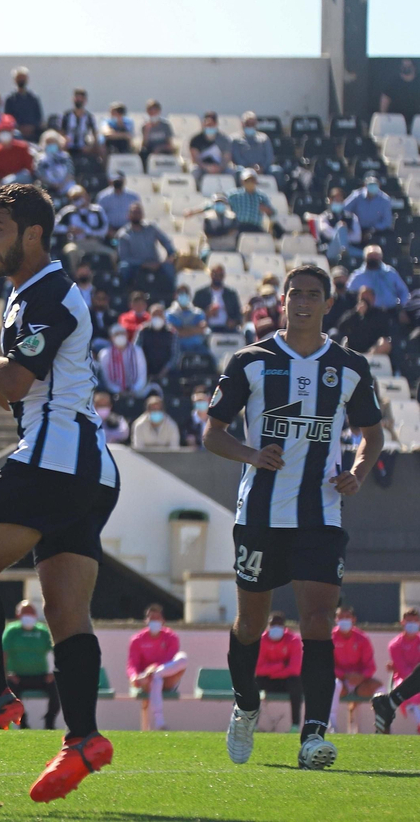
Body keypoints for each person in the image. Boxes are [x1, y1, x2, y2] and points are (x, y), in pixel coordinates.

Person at [0, 183, 119, 802]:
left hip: (53, 458)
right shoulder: (28, 293)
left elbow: (10, 386)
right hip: (87, 471)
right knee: (67, 613)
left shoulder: (48, 294)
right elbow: (8, 387)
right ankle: (85, 739)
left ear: (33, 235)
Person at [207, 265, 385, 771]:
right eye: (295, 294)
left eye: (313, 295)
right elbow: (212, 433)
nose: (303, 302)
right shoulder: (251, 360)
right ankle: (245, 707)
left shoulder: (349, 366)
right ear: (281, 301)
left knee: (318, 625)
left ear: (329, 303)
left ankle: (313, 737)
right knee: (250, 625)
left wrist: (357, 471)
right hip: (260, 513)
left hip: (321, 514)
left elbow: (372, 435)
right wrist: (251, 453)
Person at [127, 604, 188, 731]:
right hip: (146, 680)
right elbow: (132, 664)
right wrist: (134, 677)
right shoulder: (137, 640)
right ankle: (160, 722)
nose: (154, 622)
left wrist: (154, 669)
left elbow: (170, 659)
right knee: (156, 679)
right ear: (146, 621)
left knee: (183, 658)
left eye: (157, 618)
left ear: (163, 621)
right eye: (151, 619)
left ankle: (157, 674)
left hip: (168, 677)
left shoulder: (171, 637)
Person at [2, 600, 59, 730]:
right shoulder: (11, 632)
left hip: (41, 677)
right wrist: (7, 674)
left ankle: (49, 721)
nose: (29, 615)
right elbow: (4, 654)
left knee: (58, 688)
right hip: (17, 677)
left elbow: (57, 652)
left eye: (31, 612)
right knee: (10, 692)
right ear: (18, 615)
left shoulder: (43, 631)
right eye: (25, 612)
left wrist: (54, 672)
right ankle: (23, 722)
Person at [372, 607, 420, 734]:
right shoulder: (396, 644)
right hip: (402, 679)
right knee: (409, 693)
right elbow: (404, 670)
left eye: (415, 621)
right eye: (409, 621)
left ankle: (388, 703)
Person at [330, 606, 379, 732]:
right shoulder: (331, 638)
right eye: (341, 617)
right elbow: (328, 665)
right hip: (340, 681)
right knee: (333, 685)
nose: (344, 620)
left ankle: (382, 727)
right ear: (335, 619)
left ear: (354, 619)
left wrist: (361, 677)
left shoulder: (362, 639)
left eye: (347, 617)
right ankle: (332, 726)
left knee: (380, 689)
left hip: (361, 682)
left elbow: (370, 666)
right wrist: (345, 676)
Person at [255, 613, 305, 728]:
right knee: (254, 684)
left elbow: (295, 670)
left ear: (284, 627)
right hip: (268, 682)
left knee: (296, 683)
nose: (276, 627)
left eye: (279, 624)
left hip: (287, 682)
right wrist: (280, 665)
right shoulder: (262, 640)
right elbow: (258, 669)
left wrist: (271, 671)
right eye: (273, 624)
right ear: (268, 626)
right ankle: (253, 724)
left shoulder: (294, 641)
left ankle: (295, 725)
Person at [3, 67, 43, 140]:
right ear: (15, 80)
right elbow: (7, 118)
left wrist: (31, 127)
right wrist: (19, 128)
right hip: (16, 135)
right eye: (19, 78)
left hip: (33, 135)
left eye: (23, 78)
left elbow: (39, 117)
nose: (21, 81)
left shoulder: (34, 98)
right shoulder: (10, 99)